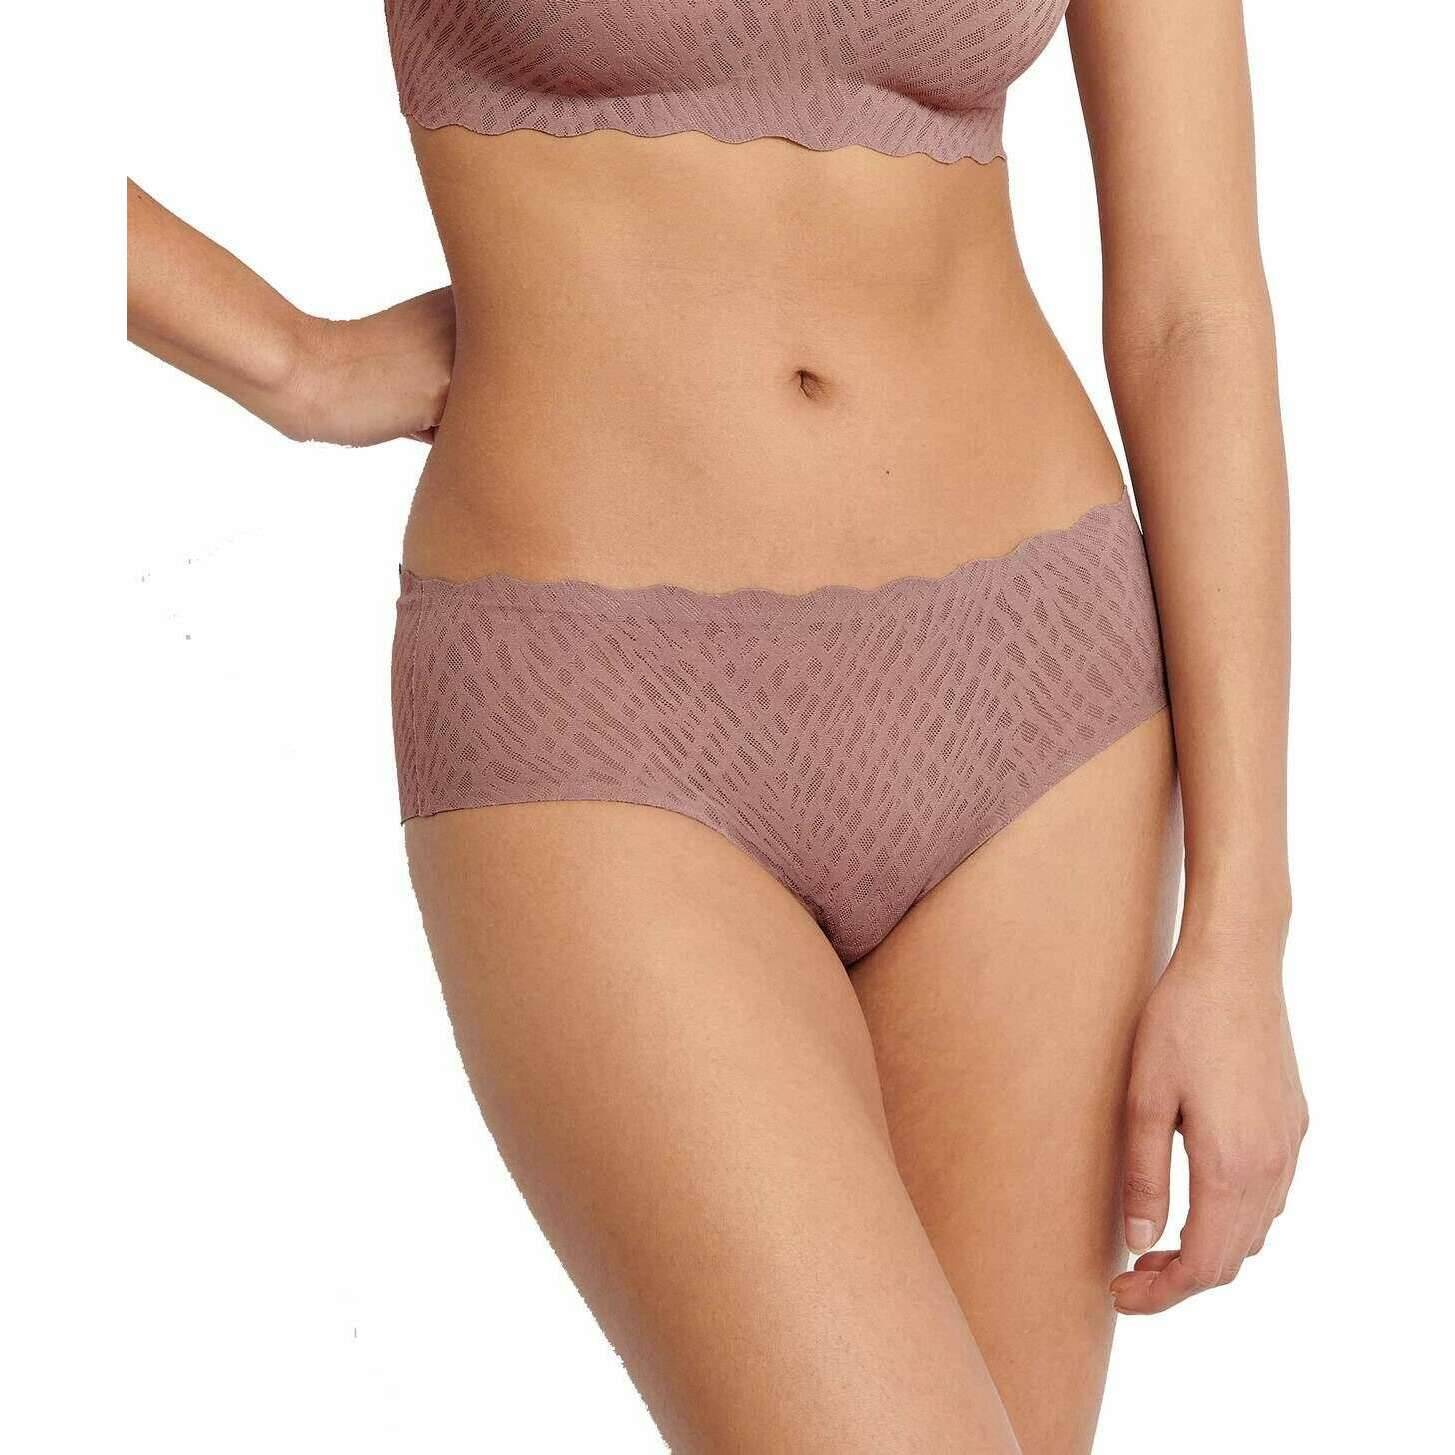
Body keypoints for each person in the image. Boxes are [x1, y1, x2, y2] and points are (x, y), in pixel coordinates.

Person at [126, 2, 1308, 1448]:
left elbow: (1194, 311)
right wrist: (287, 363)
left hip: (1040, 711)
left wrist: (1241, 932)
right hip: (597, 711)